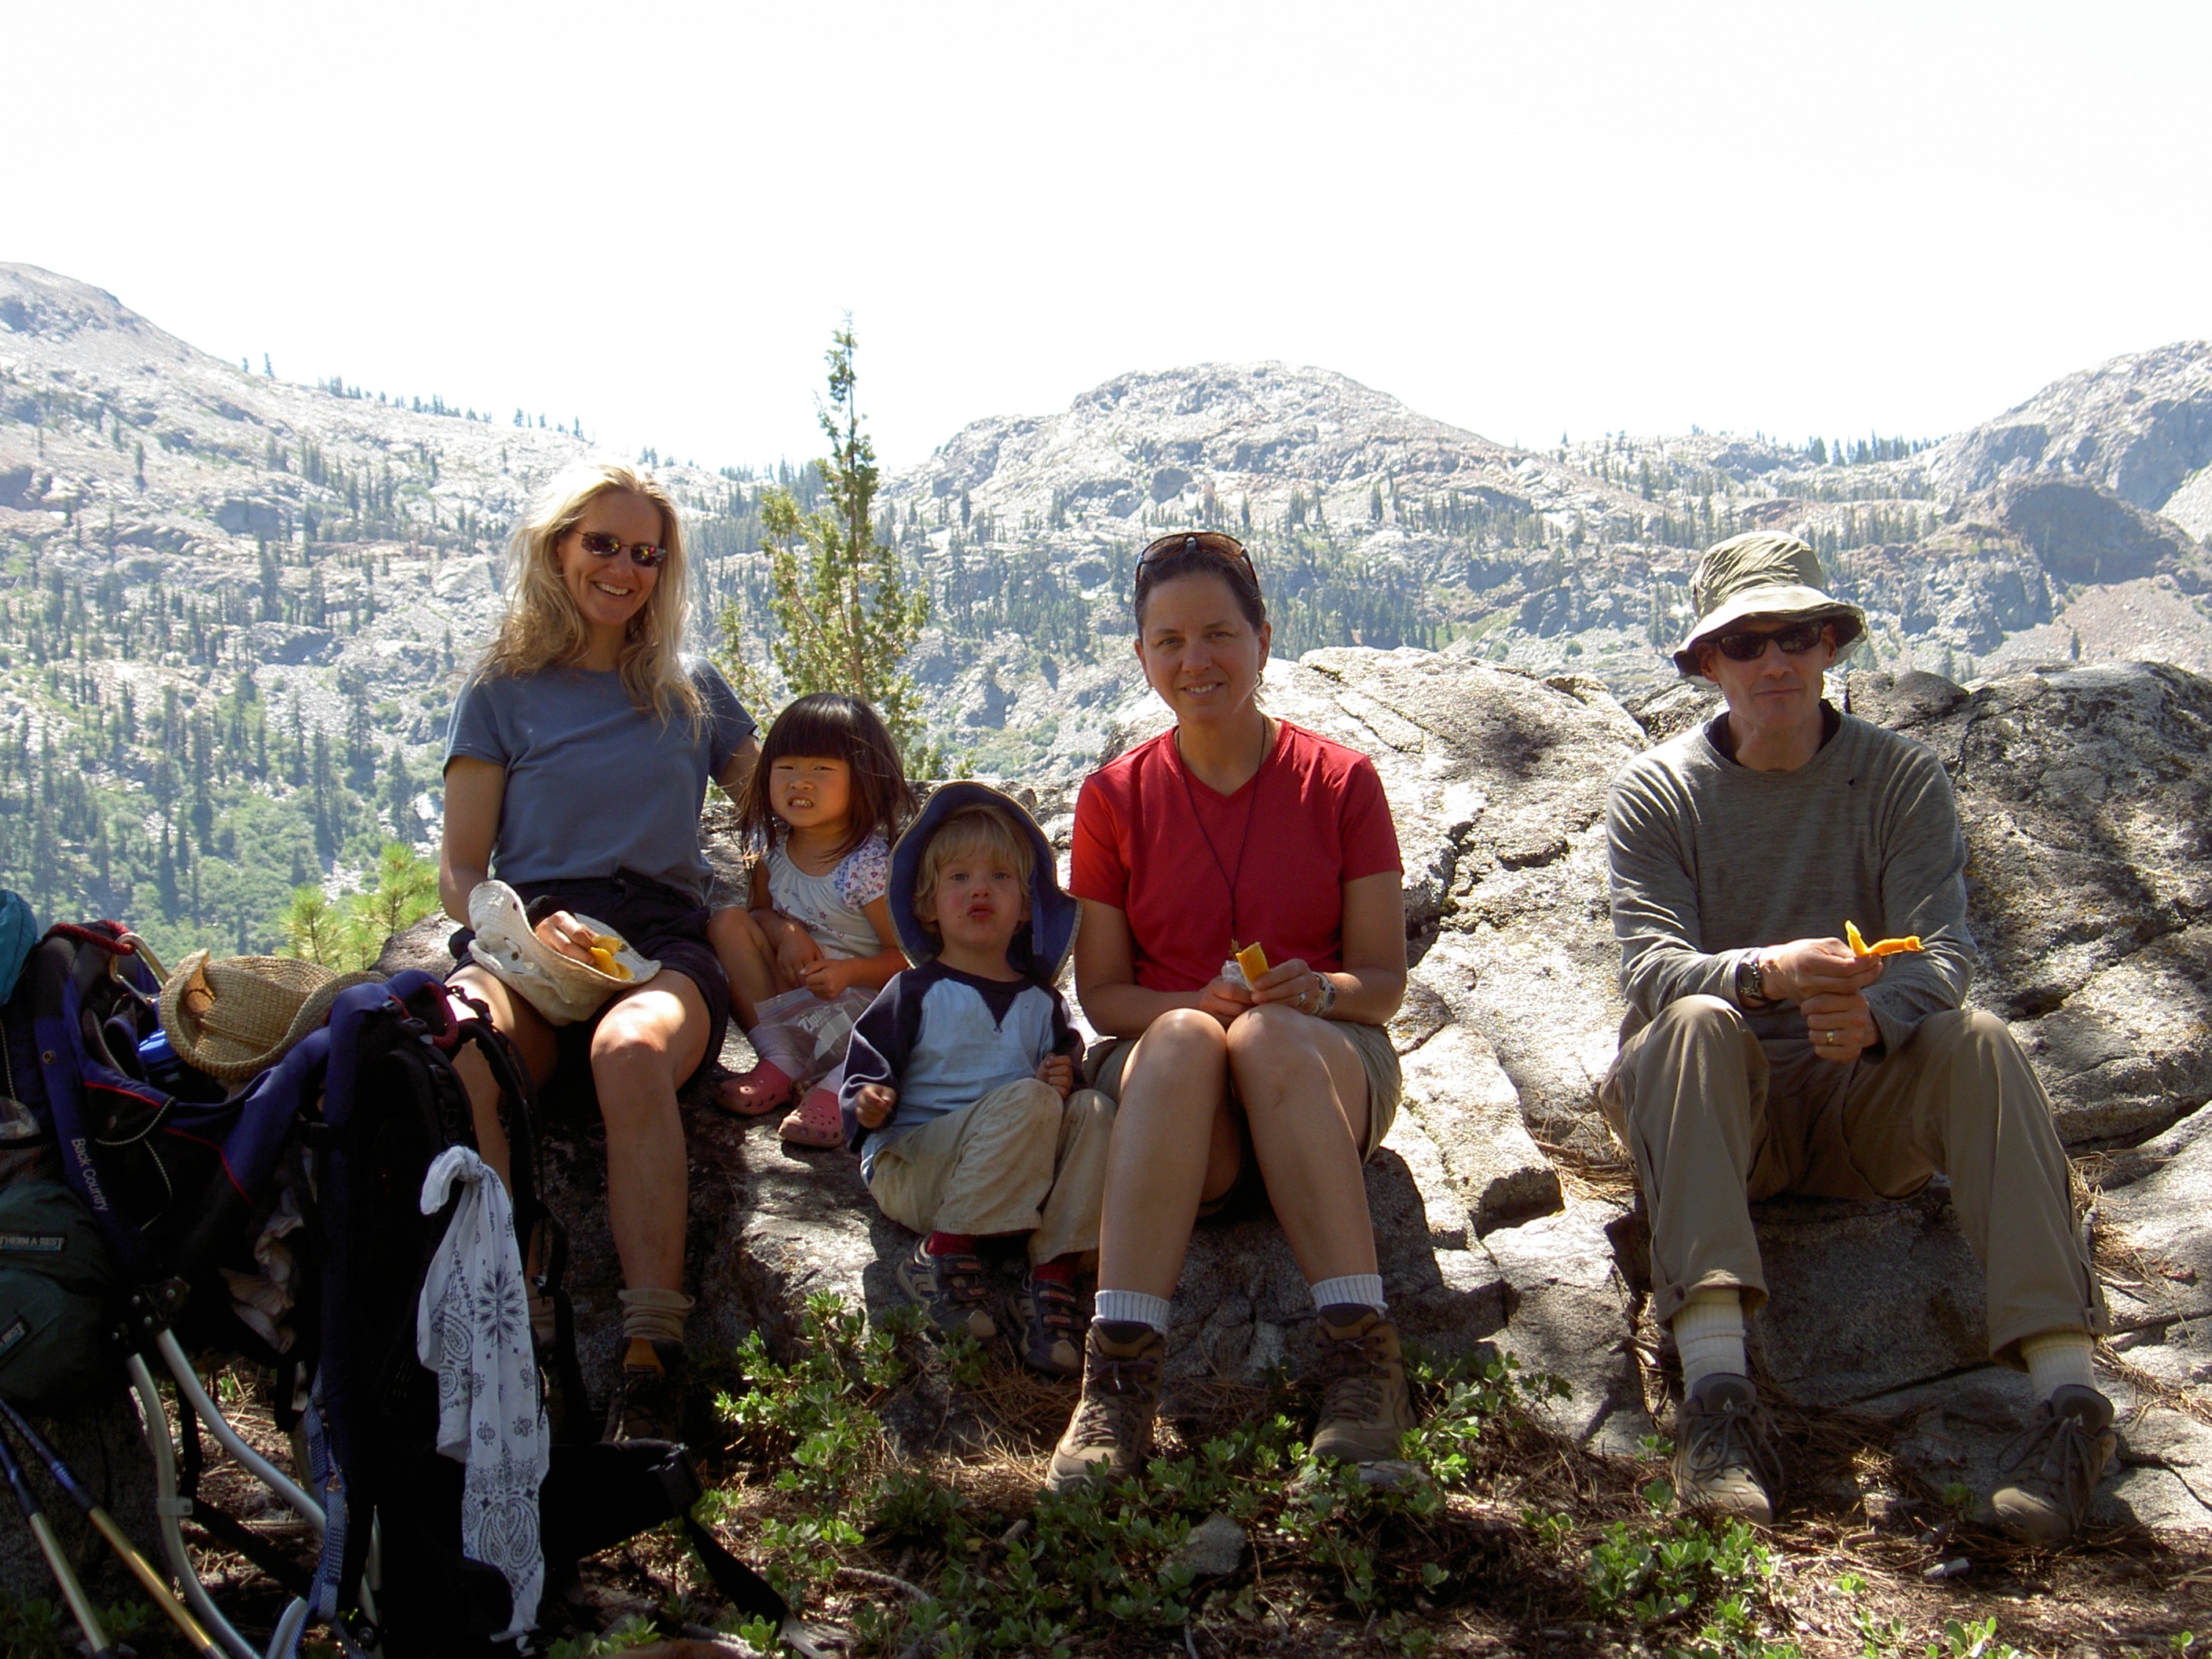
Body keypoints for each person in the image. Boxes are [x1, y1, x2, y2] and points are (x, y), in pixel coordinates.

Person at [1602, 532, 2112, 1542]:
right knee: (1693, 1021)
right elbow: (1648, 971)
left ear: (1831, 644)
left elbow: (1943, 952)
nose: (1774, 662)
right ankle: (1716, 1402)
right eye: (1745, 643)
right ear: (1706, 662)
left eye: (1796, 634)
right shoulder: (1656, 793)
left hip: (1859, 1115)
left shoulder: (1898, 780)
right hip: (1722, 1120)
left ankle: (2069, 1409)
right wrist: (1767, 975)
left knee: (1979, 1042)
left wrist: (1874, 1020)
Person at [1046, 529, 1413, 1490]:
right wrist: (1192, 1005)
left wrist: (1317, 992)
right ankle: (1117, 1377)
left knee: (1270, 1034)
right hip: (1187, 1112)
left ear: (1261, 636)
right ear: (1140, 657)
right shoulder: (1114, 798)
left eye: (1217, 633)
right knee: (1177, 1038)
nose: (1192, 661)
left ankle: (1359, 1362)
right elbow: (1105, 997)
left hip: (1322, 1074)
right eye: (1166, 641)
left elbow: (1382, 983)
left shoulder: (1340, 782)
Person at [438, 461, 758, 1441]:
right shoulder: (500, 694)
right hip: (535, 943)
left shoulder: (690, 690)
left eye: (646, 555)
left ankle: (649, 1351)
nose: (624, 570)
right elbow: (458, 866)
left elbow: (784, 811)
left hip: (661, 940)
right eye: (603, 545)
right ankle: (511, 1317)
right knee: (462, 1048)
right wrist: (515, 929)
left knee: (630, 1056)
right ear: (557, 548)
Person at [839, 784, 1108, 1377]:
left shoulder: (1043, 1005)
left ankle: (1054, 1276)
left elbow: (1068, 1078)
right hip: (919, 1167)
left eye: (1001, 878)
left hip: (1017, 1173)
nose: (979, 889)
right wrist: (869, 1103)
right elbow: (863, 1072)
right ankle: (938, 1256)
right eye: (958, 878)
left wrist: (1067, 1077)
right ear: (928, 905)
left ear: (1028, 907)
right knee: (1033, 1099)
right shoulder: (915, 993)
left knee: (1095, 1112)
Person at [707, 694, 913, 1147]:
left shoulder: (867, 867)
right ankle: (780, 1059)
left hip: (860, 1007)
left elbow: (908, 960)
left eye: (822, 770)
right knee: (727, 923)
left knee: (899, 1020)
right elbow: (758, 911)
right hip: (795, 994)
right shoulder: (770, 847)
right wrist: (788, 932)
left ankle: (837, 1087)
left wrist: (847, 973)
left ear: (863, 781)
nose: (801, 782)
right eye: (786, 767)